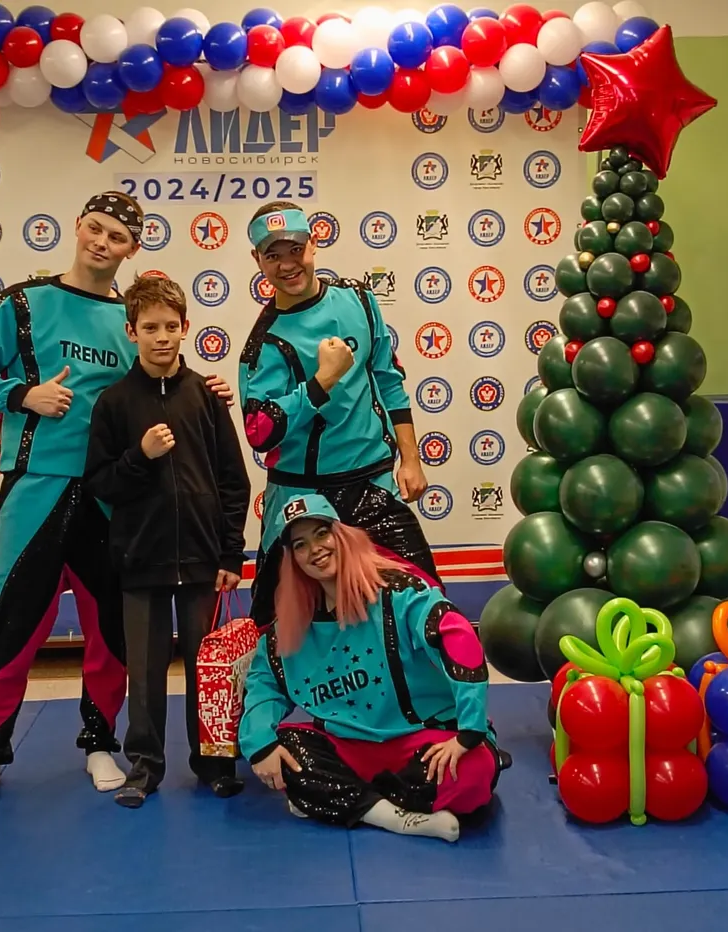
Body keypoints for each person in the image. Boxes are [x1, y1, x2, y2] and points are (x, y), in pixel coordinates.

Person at [0, 191, 234, 808]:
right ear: (78, 227)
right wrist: (23, 395)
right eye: (96, 229)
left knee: (112, 633)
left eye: (118, 237)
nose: (102, 243)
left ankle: (99, 742)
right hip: (38, 485)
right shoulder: (23, 302)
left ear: (133, 249)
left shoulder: (128, 316)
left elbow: (157, 381)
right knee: (16, 623)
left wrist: (204, 388)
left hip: (114, 494)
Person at [237, 493, 501, 843]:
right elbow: (263, 683)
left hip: (423, 738)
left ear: (343, 534)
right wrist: (261, 744)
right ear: (293, 560)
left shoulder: (400, 592)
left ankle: (337, 799)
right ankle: (394, 816)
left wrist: (469, 731)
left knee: (474, 768)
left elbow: (457, 637)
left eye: (321, 533)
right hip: (349, 747)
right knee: (285, 749)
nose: (314, 549)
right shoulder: (291, 623)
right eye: (300, 545)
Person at [84, 274, 251, 806]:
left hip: (203, 559)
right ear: (131, 331)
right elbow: (101, 483)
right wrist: (140, 456)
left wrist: (230, 553)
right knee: (145, 672)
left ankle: (214, 762)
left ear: (185, 328)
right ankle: (145, 766)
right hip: (140, 560)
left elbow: (234, 481)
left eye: (170, 326)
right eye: (150, 327)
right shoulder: (113, 403)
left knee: (208, 670)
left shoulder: (206, 396)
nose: (161, 337)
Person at [237, 201, 439, 630]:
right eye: (273, 255)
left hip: (373, 482)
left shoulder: (359, 300)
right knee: (282, 627)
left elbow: (388, 378)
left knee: (425, 611)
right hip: (302, 497)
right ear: (257, 260)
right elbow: (259, 432)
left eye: (295, 249)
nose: (287, 265)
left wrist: (411, 458)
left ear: (314, 244)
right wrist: (321, 382)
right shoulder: (265, 341)